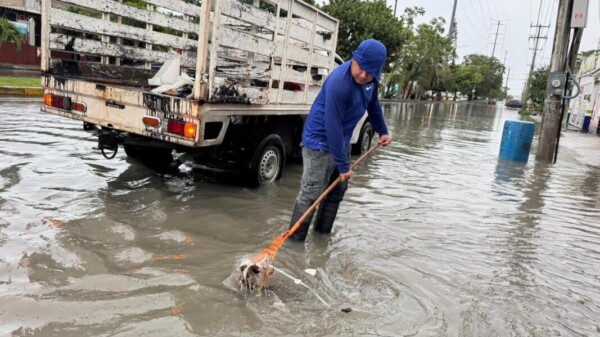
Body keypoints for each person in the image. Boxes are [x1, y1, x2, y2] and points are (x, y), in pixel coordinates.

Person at [288, 38, 392, 241]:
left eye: (370, 72)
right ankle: (294, 244)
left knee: (337, 190)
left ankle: (321, 238)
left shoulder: (371, 81)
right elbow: (332, 126)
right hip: (319, 142)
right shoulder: (339, 83)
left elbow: (373, 105)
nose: (364, 75)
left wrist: (382, 130)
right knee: (312, 193)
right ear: (354, 59)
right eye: (361, 68)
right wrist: (344, 166)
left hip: (341, 141)